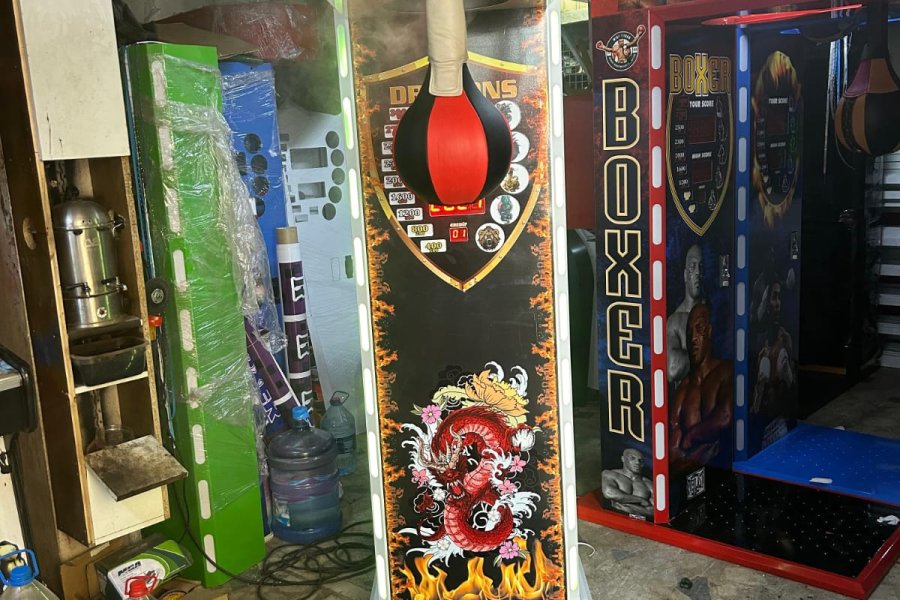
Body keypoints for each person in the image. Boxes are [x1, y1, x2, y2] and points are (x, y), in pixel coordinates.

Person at [670, 304, 733, 470]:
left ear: (709, 331)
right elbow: (674, 441)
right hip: (689, 470)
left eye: (699, 329)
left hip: (721, 470)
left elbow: (725, 417)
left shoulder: (726, 371)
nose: (693, 338)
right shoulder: (683, 387)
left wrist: (691, 435)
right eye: (689, 332)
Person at [667, 244, 704, 383]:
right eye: (692, 267)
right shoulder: (675, 321)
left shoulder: (715, 311)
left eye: (701, 267)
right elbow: (672, 370)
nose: (697, 272)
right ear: (685, 275)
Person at [601, 448, 654, 518]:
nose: (637, 462)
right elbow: (609, 493)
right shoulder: (609, 474)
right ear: (623, 459)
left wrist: (629, 507)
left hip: (639, 522)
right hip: (612, 517)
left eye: (641, 460)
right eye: (632, 458)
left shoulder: (649, 484)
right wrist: (641, 500)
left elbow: (654, 511)